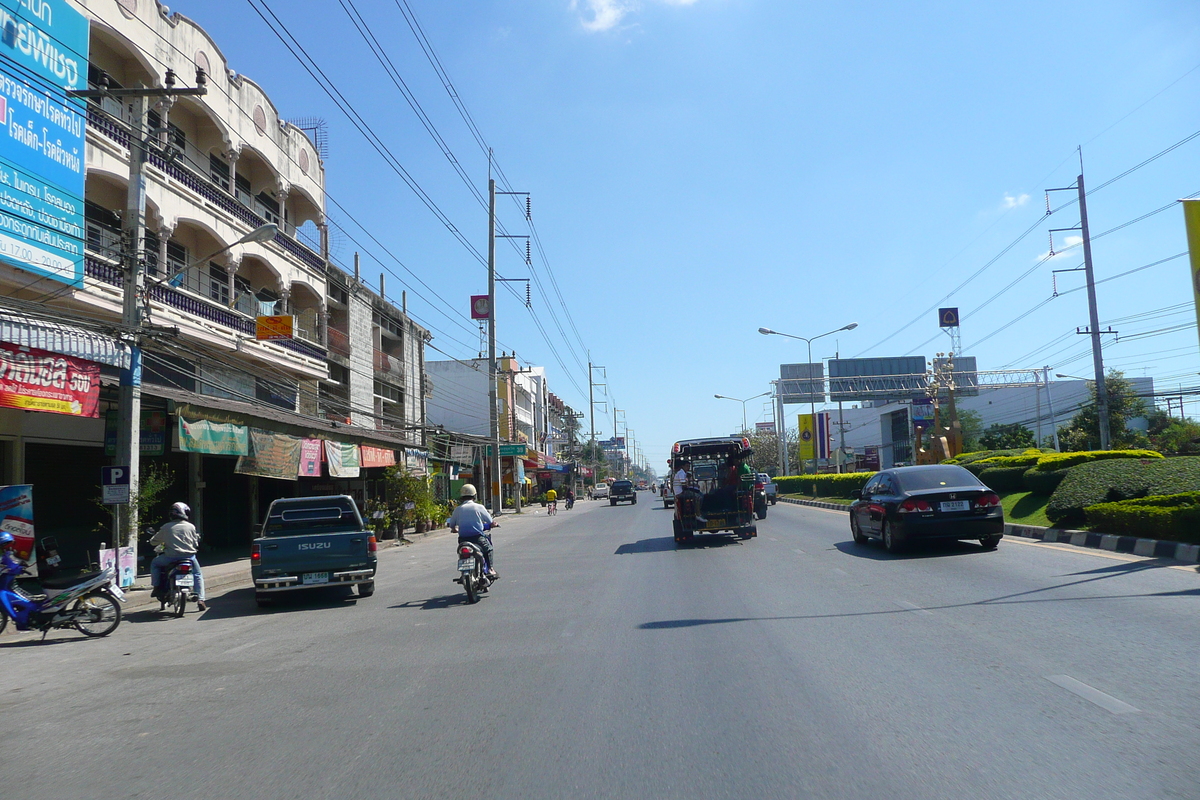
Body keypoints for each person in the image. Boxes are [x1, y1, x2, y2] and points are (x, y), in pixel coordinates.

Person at [150, 502, 207, 611]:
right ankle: (201, 599)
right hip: (189, 558)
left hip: (170, 557)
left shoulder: (166, 527)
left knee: (155, 563)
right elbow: (195, 543)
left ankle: (156, 587)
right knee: (197, 574)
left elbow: (154, 542)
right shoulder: (191, 527)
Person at [447, 484, 497, 578]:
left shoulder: (458, 509)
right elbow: (490, 521)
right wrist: (493, 524)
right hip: (478, 538)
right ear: (474, 495)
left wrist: (454, 529)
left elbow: (452, 524)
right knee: (488, 549)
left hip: (463, 539)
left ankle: (463, 571)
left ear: (462, 496)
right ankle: (490, 568)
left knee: (462, 553)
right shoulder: (479, 507)